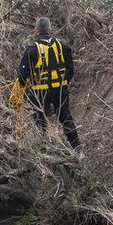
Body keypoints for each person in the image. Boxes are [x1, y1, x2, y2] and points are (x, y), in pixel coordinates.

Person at [16, 17, 79, 150]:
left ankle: (44, 150)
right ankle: (78, 150)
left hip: (40, 92)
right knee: (66, 117)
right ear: (50, 28)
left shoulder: (32, 49)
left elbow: (22, 75)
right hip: (60, 90)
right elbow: (71, 70)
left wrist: (23, 86)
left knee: (40, 120)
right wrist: (63, 83)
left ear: (36, 30)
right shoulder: (63, 46)